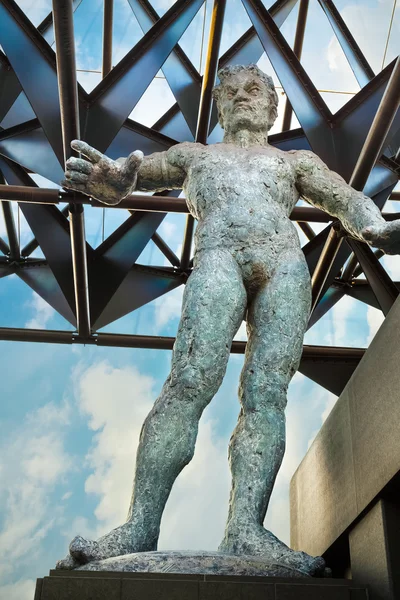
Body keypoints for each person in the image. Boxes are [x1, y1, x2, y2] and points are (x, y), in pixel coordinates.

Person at [58, 65, 400, 575]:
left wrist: (375, 227)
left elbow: (342, 197)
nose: (242, 97)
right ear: (219, 105)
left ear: (271, 107)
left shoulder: (294, 161)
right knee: (189, 380)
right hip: (219, 256)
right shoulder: (196, 156)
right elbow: (137, 173)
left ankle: (246, 528)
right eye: (231, 92)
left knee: (267, 393)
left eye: (254, 90)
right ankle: (139, 525)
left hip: (283, 264)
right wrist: (114, 181)